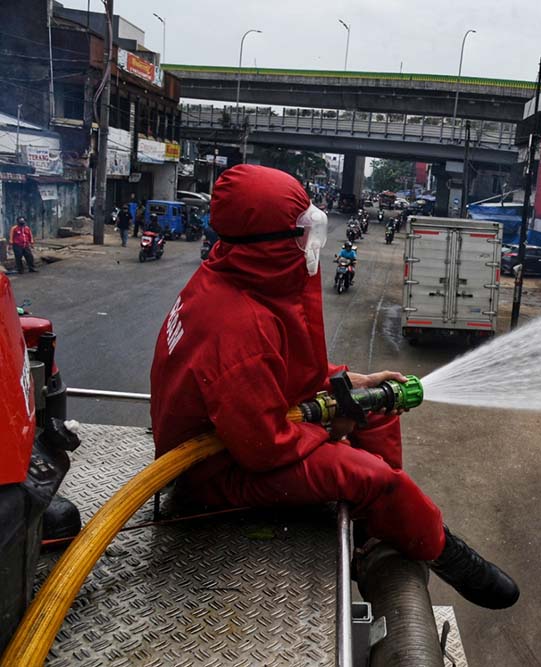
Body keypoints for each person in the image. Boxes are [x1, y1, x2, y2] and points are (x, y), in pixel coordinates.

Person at [149, 165, 518, 610]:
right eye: (301, 233)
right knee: (367, 473)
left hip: (242, 426)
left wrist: (350, 385)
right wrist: (333, 427)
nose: (311, 243)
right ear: (268, 244)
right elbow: (262, 447)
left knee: (377, 405)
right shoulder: (236, 327)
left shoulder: (233, 277)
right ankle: (440, 549)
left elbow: (275, 372)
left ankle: (375, 522)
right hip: (216, 469)